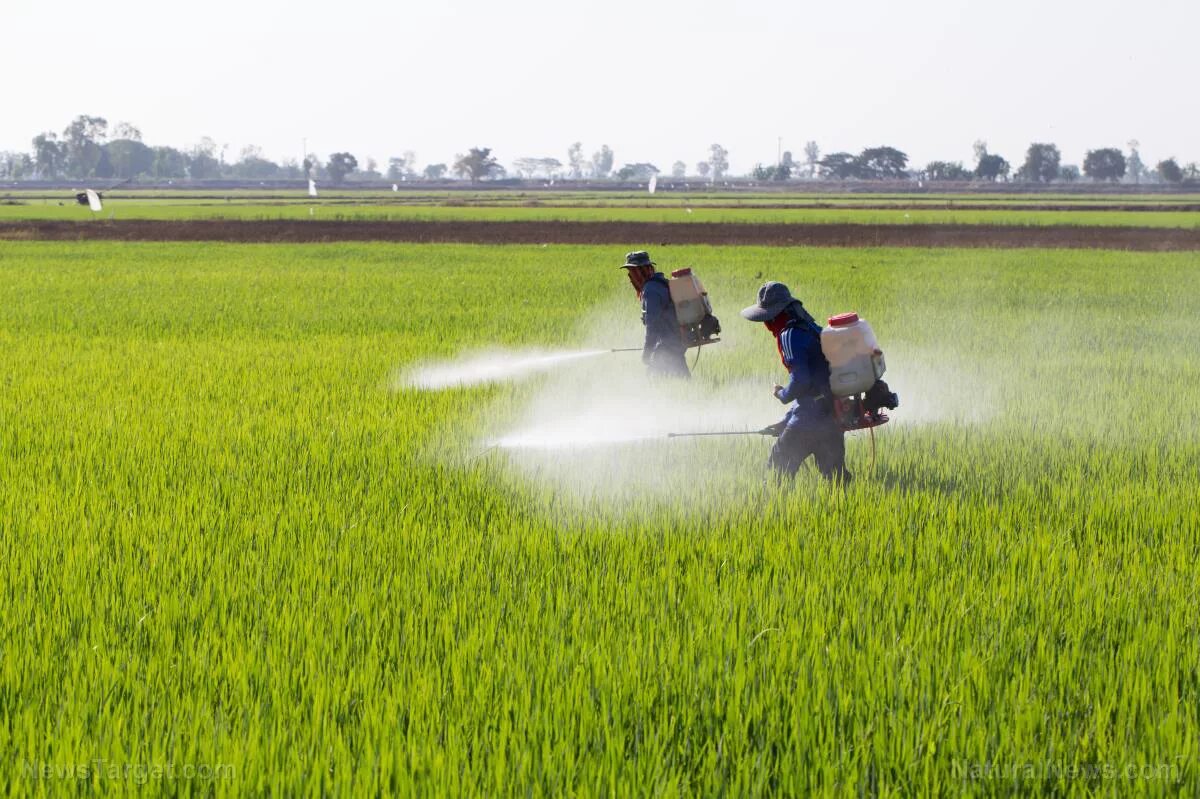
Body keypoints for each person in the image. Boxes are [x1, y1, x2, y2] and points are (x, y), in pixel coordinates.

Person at [742, 281, 851, 483]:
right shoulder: (811, 327)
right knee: (837, 481)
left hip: (808, 420)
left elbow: (801, 382)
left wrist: (781, 394)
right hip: (830, 416)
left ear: (773, 316)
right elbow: (815, 386)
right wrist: (786, 420)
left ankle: (775, 513)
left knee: (777, 477)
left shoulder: (789, 335)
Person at [621, 251, 689, 378]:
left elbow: (652, 325)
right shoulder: (660, 282)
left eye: (632, 271)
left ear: (641, 271)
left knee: (654, 381)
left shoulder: (650, 290)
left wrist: (647, 352)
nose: (631, 276)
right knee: (681, 379)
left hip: (668, 345)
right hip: (677, 341)